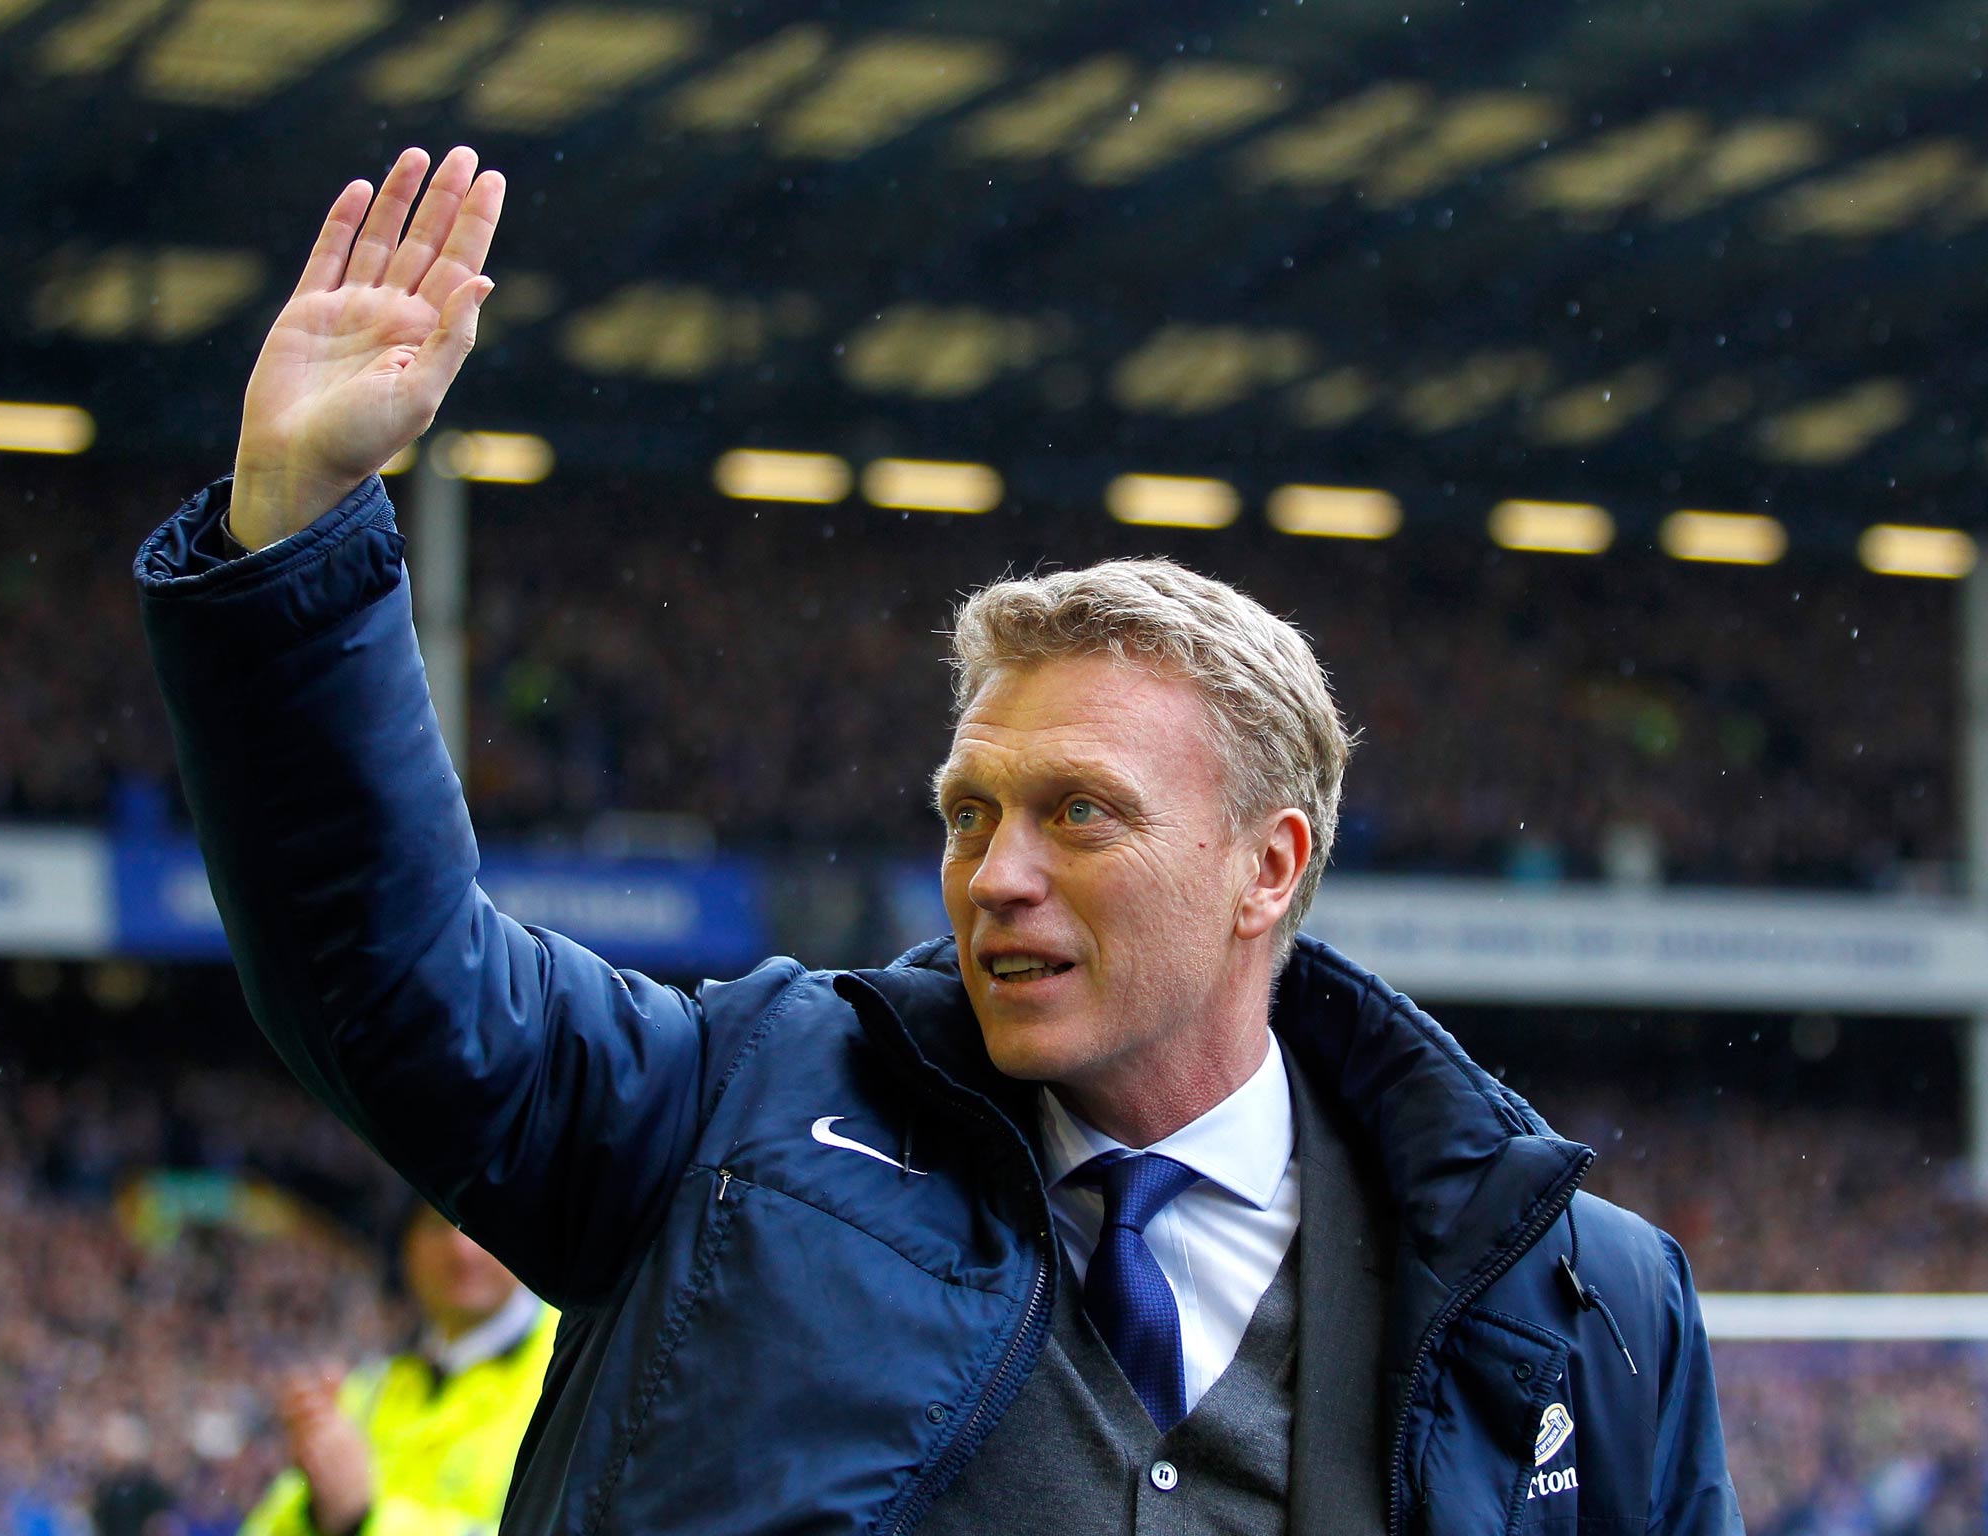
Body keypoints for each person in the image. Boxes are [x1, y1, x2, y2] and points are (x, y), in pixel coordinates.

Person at [137, 146, 1743, 1534]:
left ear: (1270, 865)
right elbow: (390, 973)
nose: (997, 873)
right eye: (970, 812)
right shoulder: (732, 1116)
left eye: (1080, 814)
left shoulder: (1584, 1305)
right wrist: (295, 522)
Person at [239, 1204, 556, 1536]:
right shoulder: (369, 1391)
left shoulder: (573, 1376)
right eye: (438, 1225)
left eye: (483, 1226)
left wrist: (365, 1520)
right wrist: (316, 1509)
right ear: (407, 1248)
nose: (462, 1248)